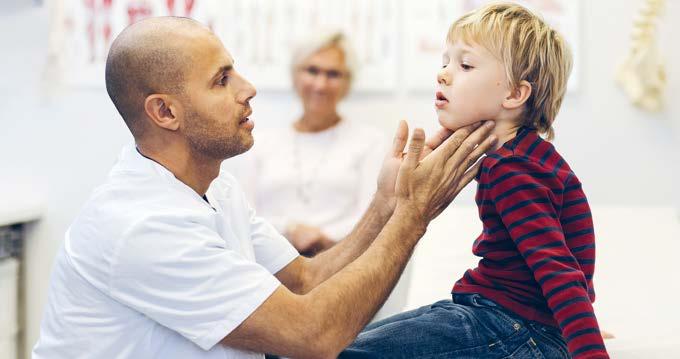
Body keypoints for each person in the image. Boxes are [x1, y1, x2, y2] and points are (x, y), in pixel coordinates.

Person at [32, 17, 497, 359]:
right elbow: (312, 335)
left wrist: (387, 204)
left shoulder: (216, 188)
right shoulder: (141, 224)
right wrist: (412, 216)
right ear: (165, 113)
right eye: (222, 80)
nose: (248, 88)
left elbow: (307, 279)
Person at [341, 3, 609, 358]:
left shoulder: (512, 169)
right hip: (510, 319)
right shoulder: (531, 157)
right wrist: (565, 324)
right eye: (445, 62)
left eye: (465, 65)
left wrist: (584, 345)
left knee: (340, 351)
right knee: (343, 340)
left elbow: (557, 267)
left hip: (509, 325)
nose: (444, 75)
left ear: (514, 94)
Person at [232, 31, 387, 257]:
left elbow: (372, 215)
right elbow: (242, 215)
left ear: (347, 83)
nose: (320, 84)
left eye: (333, 74)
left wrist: (322, 238)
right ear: (295, 76)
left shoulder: (371, 141)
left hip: (341, 263)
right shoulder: (260, 142)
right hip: (270, 267)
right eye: (312, 71)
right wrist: (290, 230)